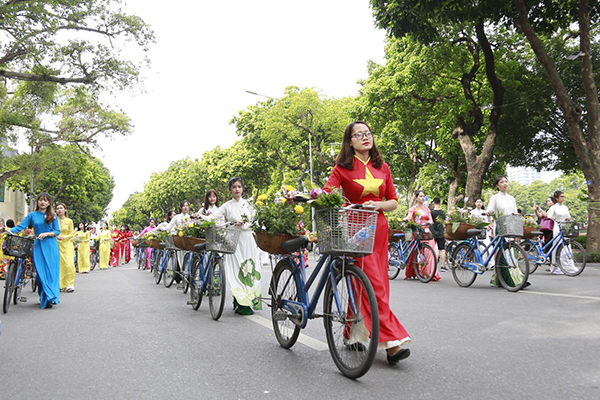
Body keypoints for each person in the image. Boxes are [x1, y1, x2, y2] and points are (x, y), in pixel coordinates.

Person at [323, 120, 410, 365]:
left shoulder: (383, 167)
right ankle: (392, 342)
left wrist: (379, 205)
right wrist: (303, 197)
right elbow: (326, 193)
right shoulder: (341, 168)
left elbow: (393, 201)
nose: (365, 137)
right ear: (349, 141)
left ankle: (353, 333)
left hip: (379, 228)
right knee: (372, 284)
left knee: (376, 281)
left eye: (368, 133)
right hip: (356, 227)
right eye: (359, 134)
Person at [211, 177, 261, 315]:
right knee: (237, 269)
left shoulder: (248, 204)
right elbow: (214, 217)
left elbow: (255, 219)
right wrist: (200, 218)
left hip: (248, 239)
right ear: (230, 190)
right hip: (234, 240)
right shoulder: (227, 206)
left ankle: (245, 299)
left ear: (242, 188)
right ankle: (241, 303)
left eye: (239, 186)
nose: (237, 189)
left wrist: (248, 223)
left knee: (250, 268)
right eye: (234, 187)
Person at [9, 193, 60, 309]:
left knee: (51, 271)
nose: (42, 202)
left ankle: (51, 296)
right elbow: (20, 227)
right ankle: (44, 297)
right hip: (38, 245)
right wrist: (8, 231)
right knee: (40, 272)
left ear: (49, 203)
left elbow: (57, 231)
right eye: (40, 200)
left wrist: (47, 233)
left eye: (45, 200)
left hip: (50, 245)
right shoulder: (32, 215)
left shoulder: (53, 215)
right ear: (37, 202)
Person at [486, 175, 528, 288]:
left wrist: (516, 214)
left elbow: (515, 211)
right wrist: (489, 213)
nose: (505, 184)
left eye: (506, 181)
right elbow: (490, 209)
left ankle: (515, 277)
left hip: (511, 226)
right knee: (502, 251)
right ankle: (506, 278)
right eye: (502, 182)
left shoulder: (511, 198)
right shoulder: (495, 198)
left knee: (512, 251)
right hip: (500, 226)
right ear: (497, 185)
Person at [404, 190, 441, 281]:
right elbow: (409, 217)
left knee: (430, 253)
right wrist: (405, 220)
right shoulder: (413, 209)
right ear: (416, 198)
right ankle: (419, 271)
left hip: (426, 232)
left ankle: (430, 273)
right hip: (417, 231)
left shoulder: (427, 209)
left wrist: (428, 222)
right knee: (416, 251)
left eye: (423, 196)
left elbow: (431, 220)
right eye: (420, 196)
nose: (422, 198)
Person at [547, 190, 575, 275]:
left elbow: (568, 216)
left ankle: (568, 266)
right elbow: (549, 216)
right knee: (558, 245)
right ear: (556, 198)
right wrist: (554, 219)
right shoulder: (553, 207)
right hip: (557, 227)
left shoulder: (565, 207)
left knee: (567, 245)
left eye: (563, 196)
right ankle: (557, 266)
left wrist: (572, 219)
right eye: (561, 196)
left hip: (564, 227)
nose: (563, 198)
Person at [56, 203, 76, 293]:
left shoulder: (69, 221)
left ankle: (69, 284)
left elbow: (72, 234)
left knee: (69, 264)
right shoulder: (54, 220)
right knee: (59, 265)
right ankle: (60, 284)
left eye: (61, 208)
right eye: (57, 208)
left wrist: (64, 237)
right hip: (57, 244)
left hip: (67, 244)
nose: (59, 210)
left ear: (65, 210)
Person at [430, 197, 447, 271]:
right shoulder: (442, 212)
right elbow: (444, 223)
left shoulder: (431, 212)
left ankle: (433, 265)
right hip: (441, 233)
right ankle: (443, 265)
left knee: (433, 248)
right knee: (442, 249)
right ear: (439, 203)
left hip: (433, 232)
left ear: (433, 203)